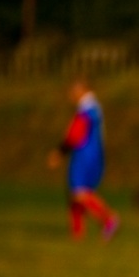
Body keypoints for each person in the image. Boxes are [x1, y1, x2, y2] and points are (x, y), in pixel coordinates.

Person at [48, 79, 118, 241]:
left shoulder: (86, 110)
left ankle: (109, 220)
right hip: (94, 153)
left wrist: (60, 152)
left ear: (82, 91)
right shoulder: (94, 108)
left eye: (73, 91)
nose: (70, 95)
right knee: (76, 193)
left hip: (85, 154)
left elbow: (74, 134)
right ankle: (77, 233)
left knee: (79, 192)